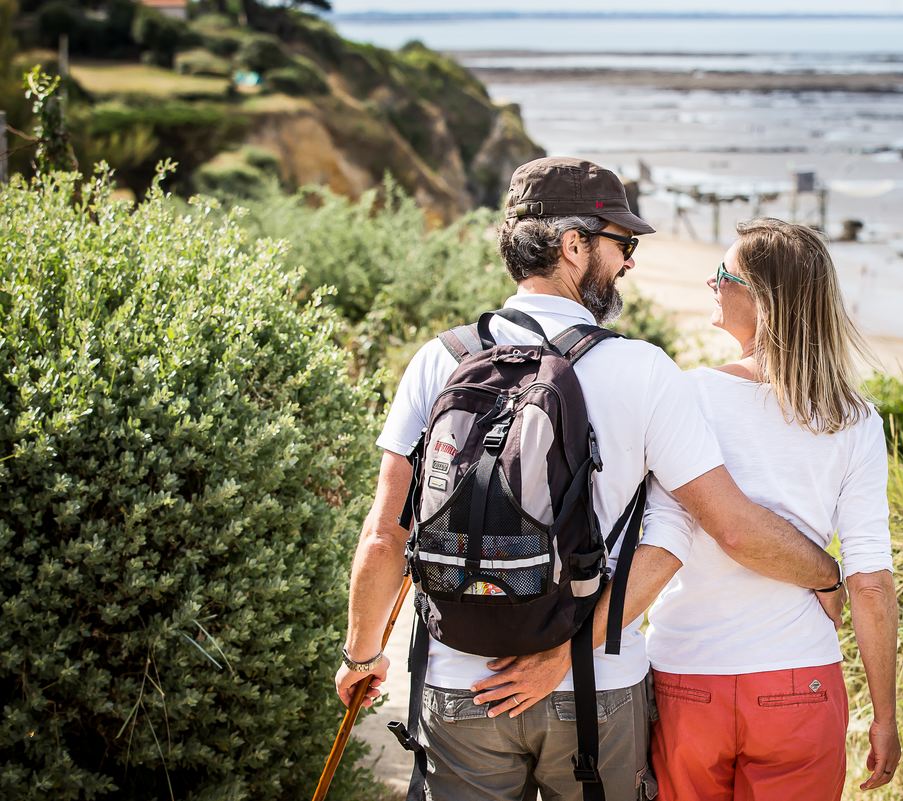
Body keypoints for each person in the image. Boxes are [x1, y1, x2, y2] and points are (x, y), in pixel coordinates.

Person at [333, 158, 841, 801]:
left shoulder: (441, 358)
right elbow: (688, 533)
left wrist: (361, 654)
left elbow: (386, 532)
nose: (628, 262)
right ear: (573, 245)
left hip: (459, 681)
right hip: (597, 687)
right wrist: (828, 574)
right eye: (621, 244)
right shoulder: (643, 370)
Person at [586, 218, 902, 799]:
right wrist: (885, 714)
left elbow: (665, 541)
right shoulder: (855, 420)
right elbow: (873, 583)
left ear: (762, 300)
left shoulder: (688, 397)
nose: (711, 281)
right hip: (798, 681)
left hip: (688, 678)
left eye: (724, 274)